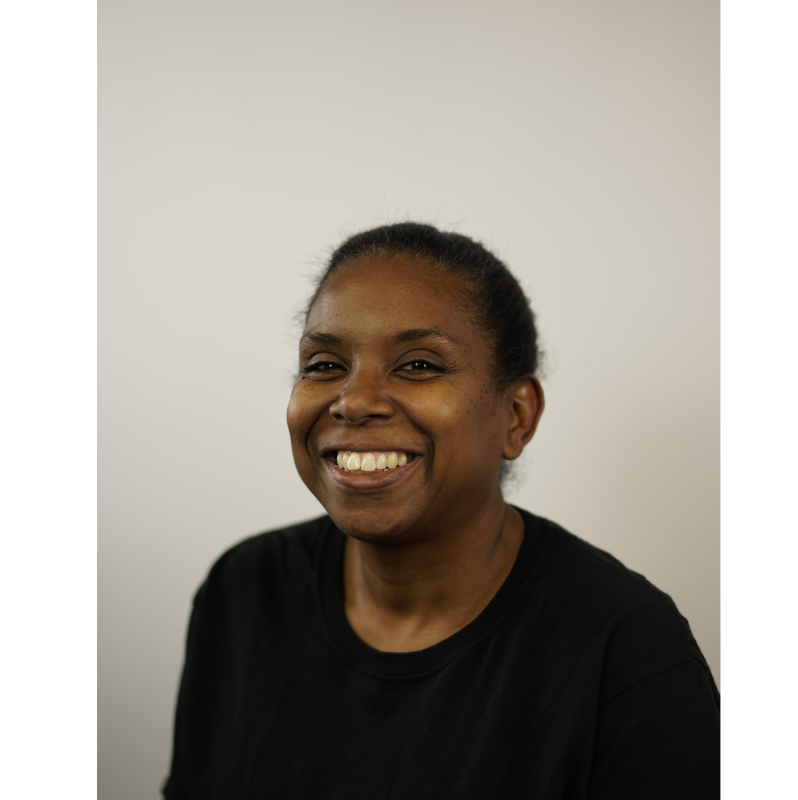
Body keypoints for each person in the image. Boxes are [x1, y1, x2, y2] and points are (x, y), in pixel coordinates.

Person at [163, 222, 721, 799]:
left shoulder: (625, 648)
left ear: (516, 416)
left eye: (419, 365)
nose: (353, 400)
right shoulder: (244, 592)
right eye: (325, 365)